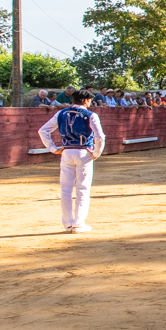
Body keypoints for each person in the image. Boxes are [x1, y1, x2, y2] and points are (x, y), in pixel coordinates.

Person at [37, 89, 106, 232]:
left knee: (66, 189)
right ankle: (78, 223)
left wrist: (53, 148)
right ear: (86, 101)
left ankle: (67, 223)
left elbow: (43, 131)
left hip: (66, 152)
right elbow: (100, 137)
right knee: (82, 188)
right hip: (84, 153)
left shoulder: (61, 114)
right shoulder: (91, 115)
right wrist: (96, 153)